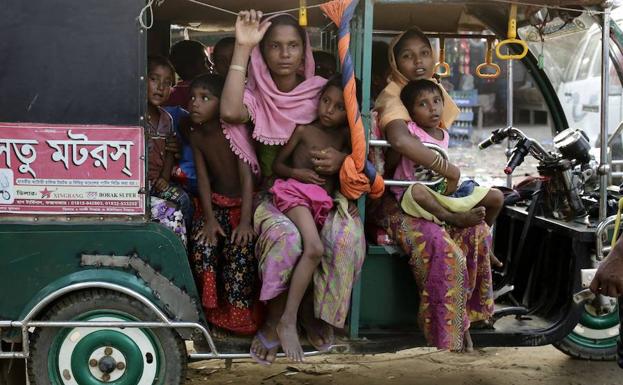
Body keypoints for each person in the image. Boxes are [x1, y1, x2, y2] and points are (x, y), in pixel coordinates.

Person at [220, 10, 365, 364]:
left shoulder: (321, 93)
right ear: (263, 53)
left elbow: (356, 138)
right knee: (287, 239)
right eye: (274, 47)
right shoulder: (255, 97)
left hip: (325, 194)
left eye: (292, 46)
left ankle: (314, 314)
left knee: (345, 239)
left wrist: (341, 159)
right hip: (277, 196)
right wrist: (242, 46)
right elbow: (228, 112)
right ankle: (275, 322)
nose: (284, 54)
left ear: (305, 51)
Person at [371, 27, 498, 352]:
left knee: (479, 231)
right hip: (402, 199)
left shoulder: (431, 92)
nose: (417, 62)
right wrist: (449, 170)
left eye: (424, 53)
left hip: (436, 188)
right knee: (447, 253)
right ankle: (448, 332)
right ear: (395, 61)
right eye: (407, 56)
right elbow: (400, 140)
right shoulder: (394, 96)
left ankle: (468, 318)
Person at [269, 75, 351, 359]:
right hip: (295, 195)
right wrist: (298, 174)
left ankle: (308, 316)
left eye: (338, 106)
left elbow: (355, 170)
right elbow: (278, 165)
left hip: (321, 203)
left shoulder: (345, 139)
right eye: (325, 101)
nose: (328, 109)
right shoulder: (304, 130)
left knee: (320, 255)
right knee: (314, 248)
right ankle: (286, 321)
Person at [188, 73, 261, 335]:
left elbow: (247, 177)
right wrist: (208, 220)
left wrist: (244, 221)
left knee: (240, 250)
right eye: (193, 98)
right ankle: (210, 312)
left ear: (221, 103)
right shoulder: (196, 135)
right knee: (203, 245)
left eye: (205, 98)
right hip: (214, 204)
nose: (196, 103)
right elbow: (203, 180)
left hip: (243, 206)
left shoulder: (234, 131)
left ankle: (239, 315)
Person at [396, 79, 504, 231]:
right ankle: (453, 219)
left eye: (436, 101)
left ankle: (482, 239)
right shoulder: (411, 131)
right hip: (415, 195)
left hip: (441, 192)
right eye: (423, 104)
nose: (432, 108)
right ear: (411, 112)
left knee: (497, 197)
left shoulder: (444, 134)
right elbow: (394, 155)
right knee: (417, 190)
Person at [146, 55, 192, 242]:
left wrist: (164, 178)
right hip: (135, 187)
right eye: (154, 79)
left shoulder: (167, 119)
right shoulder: (132, 116)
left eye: (167, 82)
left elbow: (169, 152)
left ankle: (180, 250)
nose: (161, 87)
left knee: (183, 200)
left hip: (156, 183)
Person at [166, 40, 210, 108]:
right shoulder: (210, 92)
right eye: (205, 61)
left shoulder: (169, 95)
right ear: (190, 66)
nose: (211, 64)